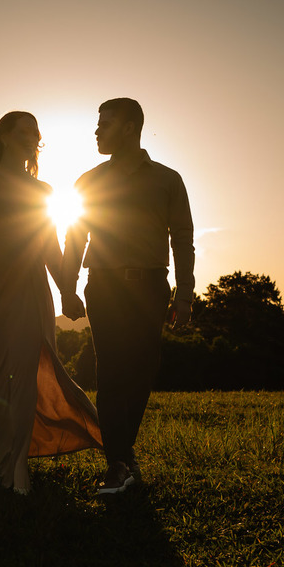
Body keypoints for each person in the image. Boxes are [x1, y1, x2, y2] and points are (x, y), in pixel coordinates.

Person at [0, 111, 102, 495]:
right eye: (24, 130)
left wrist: (67, 290)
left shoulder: (42, 192)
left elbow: (49, 247)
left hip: (29, 287)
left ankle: (18, 465)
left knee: (26, 370)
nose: (32, 137)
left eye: (36, 132)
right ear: (4, 137)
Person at [59, 98, 195, 494]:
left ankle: (120, 456)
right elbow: (73, 239)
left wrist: (184, 295)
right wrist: (66, 289)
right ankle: (119, 461)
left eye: (105, 123)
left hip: (151, 286)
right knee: (113, 369)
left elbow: (183, 240)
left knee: (141, 370)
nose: (97, 131)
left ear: (131, 126)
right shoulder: (88, 179)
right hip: (103, 285)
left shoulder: (167, 179)